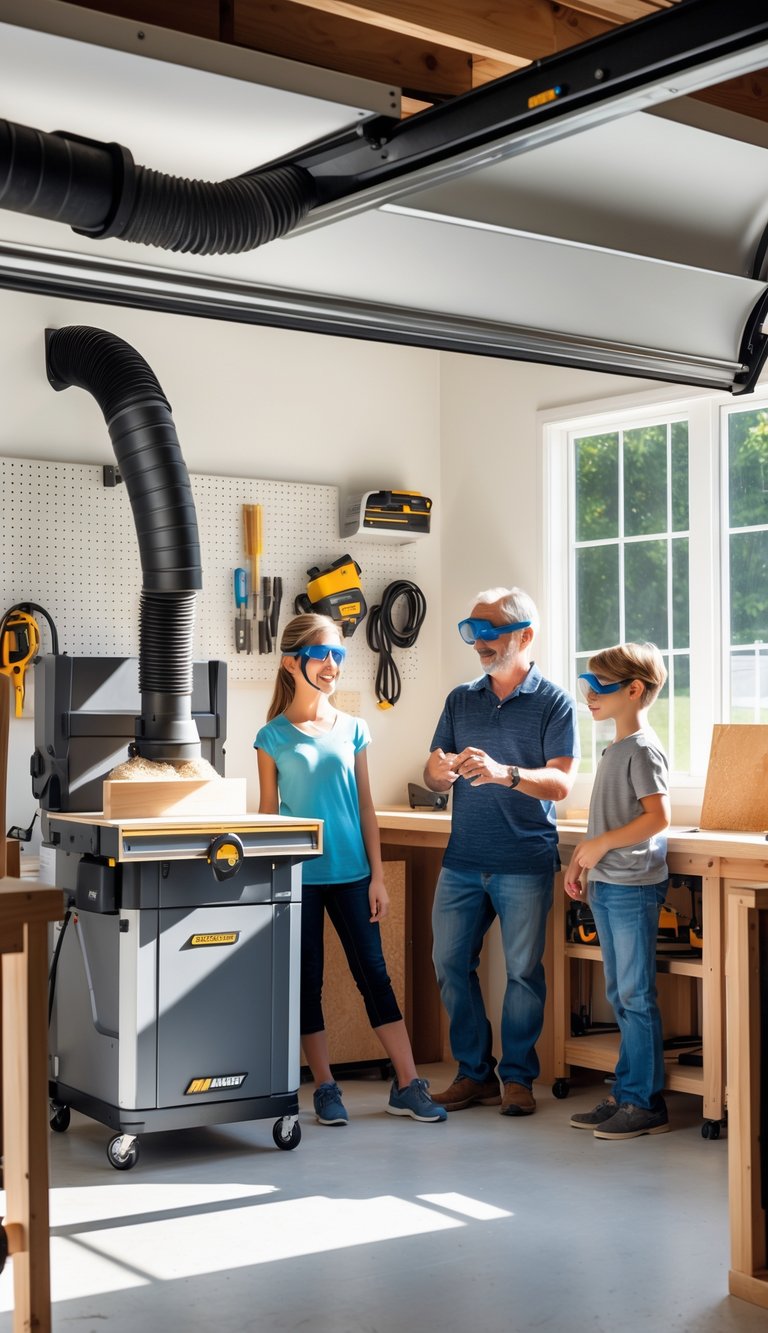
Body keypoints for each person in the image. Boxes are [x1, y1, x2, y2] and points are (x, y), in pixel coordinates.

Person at [255, 612, 446, 1127]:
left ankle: (408, 1083)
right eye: (323, 656)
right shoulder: (271, 738)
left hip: (354, 874)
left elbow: (365, 807)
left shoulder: (355, 729)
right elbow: (269, 816)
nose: (333, 666)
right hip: (299, 880)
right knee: (307, 983)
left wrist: (378, 876)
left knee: (376, 978)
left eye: (339, 656)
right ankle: (325, 1087)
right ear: (292, 663)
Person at [424, 587, 579, 1116]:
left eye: (489, 632)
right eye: (472, 632)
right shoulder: (459, 699)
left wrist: (504, 774)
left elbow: (561, 785)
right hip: (463, 859)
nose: (479, 644)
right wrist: (440, 772)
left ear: (525, 636)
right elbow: (432, 770)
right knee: (448, 963)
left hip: (524, 861)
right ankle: (475, 1075)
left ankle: (517, 1079)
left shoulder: (554, 702)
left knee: (521, 974)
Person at [563, 642, 671, 1140]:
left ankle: (644, 1102)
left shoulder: (643, 749)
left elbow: (658, 817)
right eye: (588, 685)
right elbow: (609, 821)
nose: (589, 695)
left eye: (600, 687)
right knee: (619, 994)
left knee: (634, 994)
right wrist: (583, 860)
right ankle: (626, 1091)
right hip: (608, 882)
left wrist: (601, 845)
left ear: (633, 690)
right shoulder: (615, 748)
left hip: (632, 886)